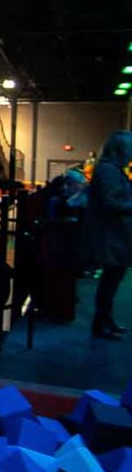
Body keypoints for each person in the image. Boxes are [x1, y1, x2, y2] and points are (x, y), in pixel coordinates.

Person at [82, 130, 132, 340]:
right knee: (110, 280)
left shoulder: (111, 170)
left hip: (113, 233)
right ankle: (100, 324)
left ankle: (105, 320)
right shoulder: (109, 171)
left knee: (112, 279)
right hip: (110, 234)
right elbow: (110, 202)